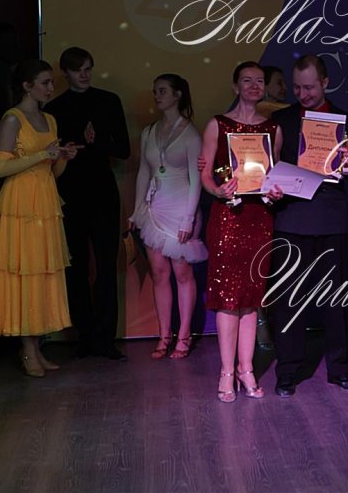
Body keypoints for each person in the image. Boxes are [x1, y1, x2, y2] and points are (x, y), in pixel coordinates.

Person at [269, 55, 348, 396]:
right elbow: (268, 168)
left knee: (335, 299)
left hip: (331, 219)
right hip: (292, 218)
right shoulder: (281, 119)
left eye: (309, 87)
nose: (302, 94)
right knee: (288, 300)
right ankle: (287, 372)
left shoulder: (345, 120)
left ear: (325, 83)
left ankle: (339, 369)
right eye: (296, 87)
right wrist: (271, 185)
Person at [0, 60, 78, 376]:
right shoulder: (12, 119)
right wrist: (42, 154)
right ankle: (27, 350)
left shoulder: (49, 119)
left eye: (51, 82)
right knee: (25, 270)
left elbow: (53, 172)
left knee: (43, 271)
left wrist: (62, 157)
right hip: (21, 203)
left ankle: (36, 347)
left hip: (45, 200)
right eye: (44, 82)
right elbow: (1, 168)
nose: (51, 88)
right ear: (27, 86)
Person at [200, 61, 283, 402]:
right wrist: (218, 191)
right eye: (247, 80)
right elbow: (206, 174)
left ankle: (246, 369)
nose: (253, 86)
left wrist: (275, 192)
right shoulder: (217, 125)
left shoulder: (273, 129)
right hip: (228, 217)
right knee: (228, 296)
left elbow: (274, 175)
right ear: (235, 86)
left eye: (259, 81)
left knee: (251, 298)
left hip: (259, 218)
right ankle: (226, 371)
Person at [46, 46, 130, 360]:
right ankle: (85, 335)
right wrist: (67, 150)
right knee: (76, 267)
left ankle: (106, 338)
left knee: (106, 267)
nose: (84, 75)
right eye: (78, 70)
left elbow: (123, 150)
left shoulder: (109, 101)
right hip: (70, 194)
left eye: (88, 69)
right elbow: (50, 155)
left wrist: (98, 141)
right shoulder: (54, 108)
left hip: (103, 192)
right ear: (65, 73)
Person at [129, 74, 208, 359]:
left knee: (182, 273)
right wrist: (138, 209)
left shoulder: (191, 134)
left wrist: (189, 218)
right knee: (159, 273)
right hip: (156, 208)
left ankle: (184, 336)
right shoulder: (149, 132)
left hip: (181, 208)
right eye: (155, 91)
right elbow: (144, 171)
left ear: (177, 95)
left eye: (162, 91)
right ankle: (164, 336)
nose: (157, 96)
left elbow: (196, 179)